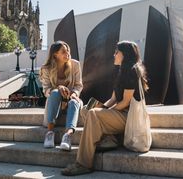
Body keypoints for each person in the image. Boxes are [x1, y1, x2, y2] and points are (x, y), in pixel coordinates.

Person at [61, 40, 148, 176]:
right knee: (86, 110)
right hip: (119, 114)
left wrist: (103, 112)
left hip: (128, 117)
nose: (114, 55)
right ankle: (110, 140)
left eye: (116, 52)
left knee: (94, 114)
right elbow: (113, 98)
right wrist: (101, 107)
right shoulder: (122, 71)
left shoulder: (132, 71)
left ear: (125, 54)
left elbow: (125, 102)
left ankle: (83, 163)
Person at [40, 40, 83, 151]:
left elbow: (78, 85)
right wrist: (58, 88)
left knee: (74, 101)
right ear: (55, 54)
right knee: (54, 93)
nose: (67, 53)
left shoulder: (75, 64)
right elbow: (46, 90)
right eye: (63, 51)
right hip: (55, 102)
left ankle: (67, 136)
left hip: (72, 99)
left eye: (68, 51)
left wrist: (74, 93)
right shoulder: (46, 69)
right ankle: (50, 133)